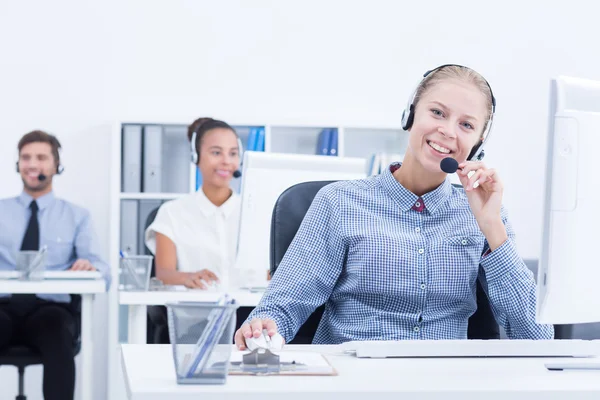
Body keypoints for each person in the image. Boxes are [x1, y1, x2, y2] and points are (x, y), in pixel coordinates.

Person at [235, 64, 554, 349]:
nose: (447, 130)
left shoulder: (485, 214)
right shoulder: (340, 202)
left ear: (478, 144)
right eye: (438, 113)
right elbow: (282, 307)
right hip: (354, 381)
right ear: (411, 114)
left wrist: (492, 227)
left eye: (466, 125)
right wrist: (262, 329)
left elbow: (536, 338)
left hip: (444, 382)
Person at [0, 130, 111, 400]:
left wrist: (88, 267)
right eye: (26, 157)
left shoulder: (77, 216)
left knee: (56, 328)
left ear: (56, 165)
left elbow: (102, 271)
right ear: (18, 165)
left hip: (50, 310)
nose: (32, 164)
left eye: (41, 157)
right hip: (2, 307)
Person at [145, 117, 242, 289]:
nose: (226, 161)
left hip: (252, 313)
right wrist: (187, 277)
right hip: (194, 311)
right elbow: (164, 274)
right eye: (216, 153)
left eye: (233, 153)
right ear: (195, 156)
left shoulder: (254, 212)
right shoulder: (171, 213)